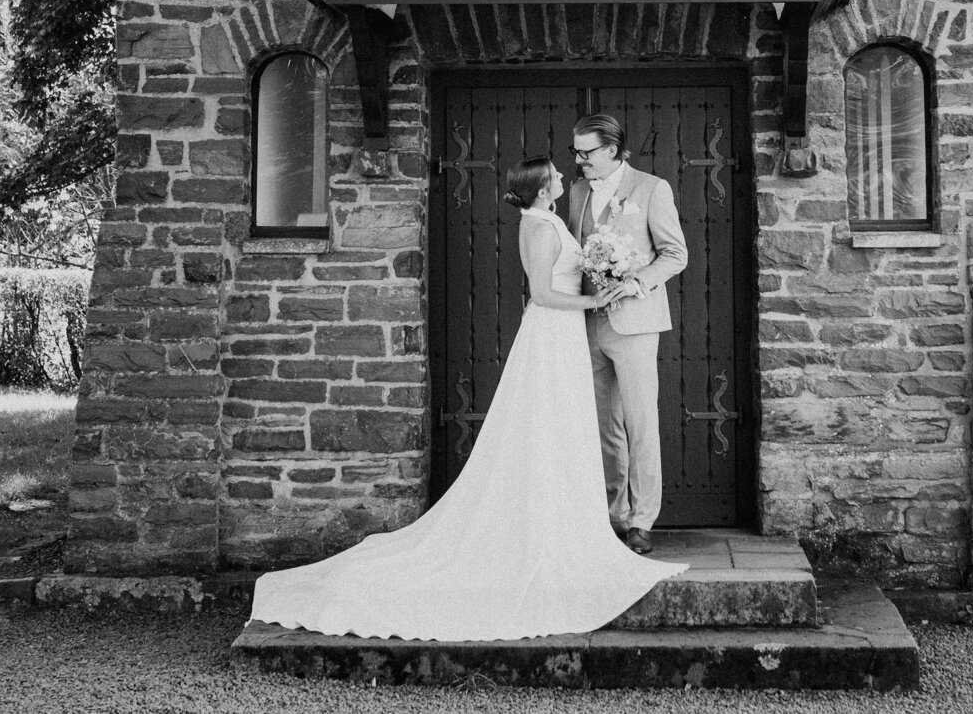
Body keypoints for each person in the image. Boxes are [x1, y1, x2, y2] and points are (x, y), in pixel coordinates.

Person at [248, 156, 684, 641]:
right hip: (555, 328)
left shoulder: (547, 217)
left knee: (564, 425)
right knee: (551, 422)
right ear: (543, 189)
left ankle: (572, 520)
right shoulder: (540, 227)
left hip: (566, 334)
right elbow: (542, 294)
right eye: (556, 175)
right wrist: (594, 300)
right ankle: (552, 527)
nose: (566, 175)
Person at [568, 114, 688, 555]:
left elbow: (675, 254)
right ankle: (614, 514)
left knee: (640, 423)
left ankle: (642, 521)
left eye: (587, 152)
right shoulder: (577, 192)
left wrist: (636, 282)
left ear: (613, 150)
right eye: (576, 152)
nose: (579, 161)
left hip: (635, 323)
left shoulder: (652, 189)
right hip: (589, 322)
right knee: (604, 424)